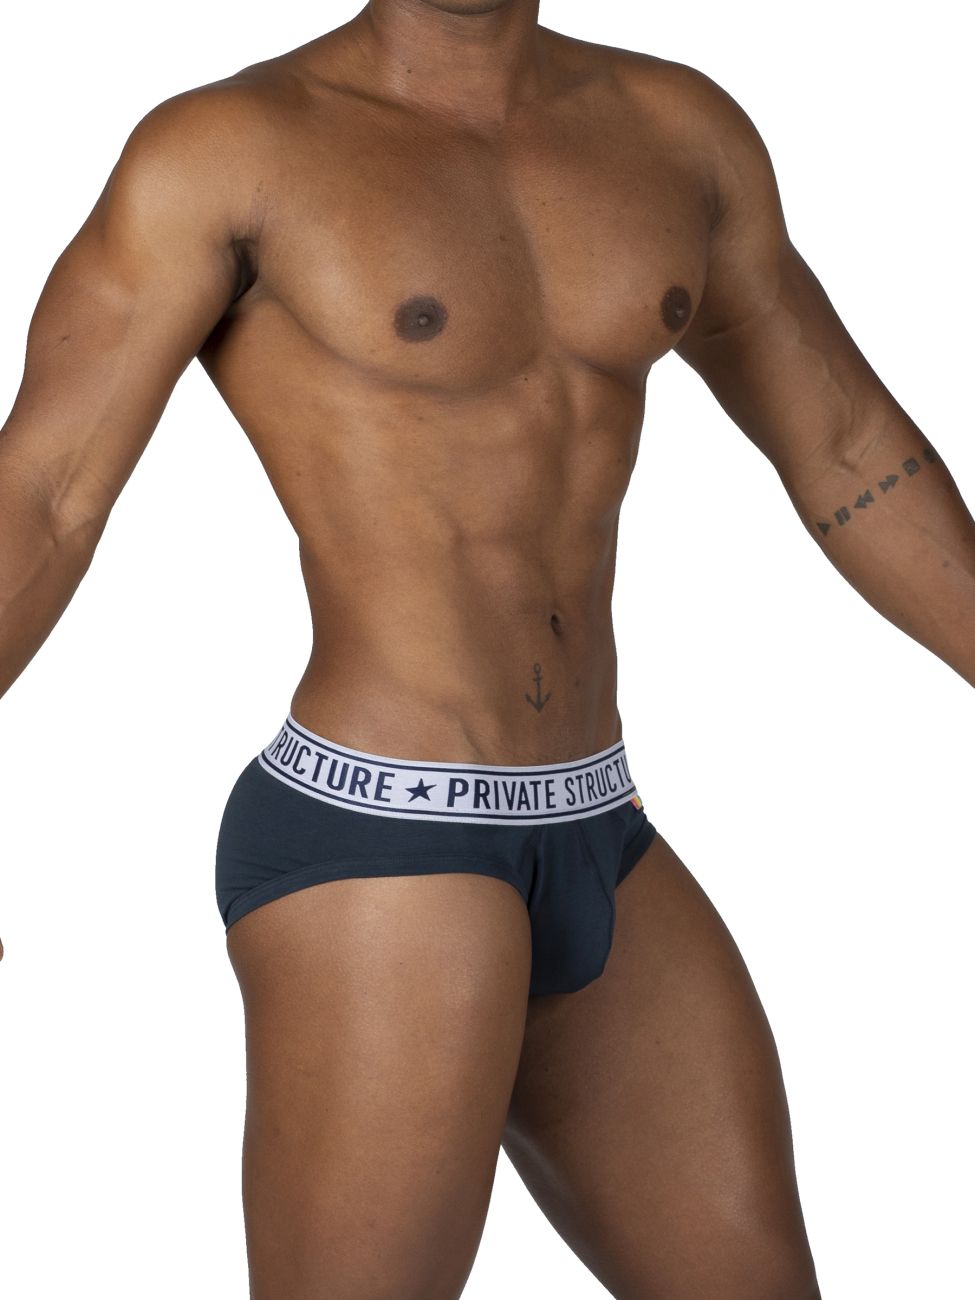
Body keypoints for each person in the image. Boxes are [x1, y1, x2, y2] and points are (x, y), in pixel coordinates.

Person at [1, 0, 972, 1295]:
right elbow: (45, 498)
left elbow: (847, 448)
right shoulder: (230, 152)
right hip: (377, 834)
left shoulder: (677, 132)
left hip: (600, 823)